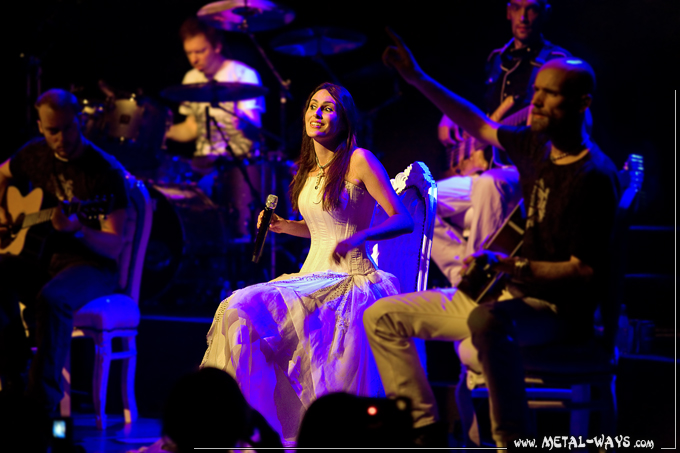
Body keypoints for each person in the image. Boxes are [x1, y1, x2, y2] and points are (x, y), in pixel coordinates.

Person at [364, 30, 620, 446]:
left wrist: (512, 266)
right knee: (381, 316)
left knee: (486, 320)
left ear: (580, 104)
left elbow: (584, 271)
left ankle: (510, 442)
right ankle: (425, 431)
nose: (533, 101)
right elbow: (480, 126)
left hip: (555, 313)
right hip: (505, 296)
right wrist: (417, 78)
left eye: (548, 94)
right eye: (535, 90)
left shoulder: (595, 176)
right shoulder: (538, 144)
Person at [200, 82, 414, 445]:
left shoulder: (359, 160)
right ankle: (237, 431)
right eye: (313, 106)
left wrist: (362, 236)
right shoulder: (309, 169)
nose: (317, 113)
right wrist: (283, 226)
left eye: (328, 108)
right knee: (236, 312)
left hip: (350, 280)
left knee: (241, 305)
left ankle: (239, 430)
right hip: (312, 275)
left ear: (344, 118)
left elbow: (402, 218)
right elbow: (321, 229)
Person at [0, 89, 129, 415]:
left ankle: (40, 405)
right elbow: (1, 174)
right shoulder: (35, 154)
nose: (60, 138)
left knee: (53, 298)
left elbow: (114, 244)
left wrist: (80, 230)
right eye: (51, 131)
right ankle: (14, 374)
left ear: (79, 122)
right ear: (41, 127)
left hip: (92, 266)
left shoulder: (104, 171)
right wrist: (3, 215)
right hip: (44, 260)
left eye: (67, 128)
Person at [432, 0, 570, 286]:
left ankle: (477, 282)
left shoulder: (557, 61)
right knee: (415, 198)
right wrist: (449, 115)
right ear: (508, 11)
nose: (524, 16)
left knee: (489, 185)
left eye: (532, 8)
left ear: (545, 13)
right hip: (486, 169)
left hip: (525, 172)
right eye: (518, 7)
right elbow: (477, 106)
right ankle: (465, 277)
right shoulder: (497, 57)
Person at [164, 17, 266, 236]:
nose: (194, 59)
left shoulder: (243, 75)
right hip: (203, 164)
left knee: (237, 231)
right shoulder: (190, 78)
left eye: (200, 51)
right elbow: (192, 128)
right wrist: (163, 132)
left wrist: (242, 123)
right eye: (189, 53)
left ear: (217, 46)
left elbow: (255, 132)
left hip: (236, 164)